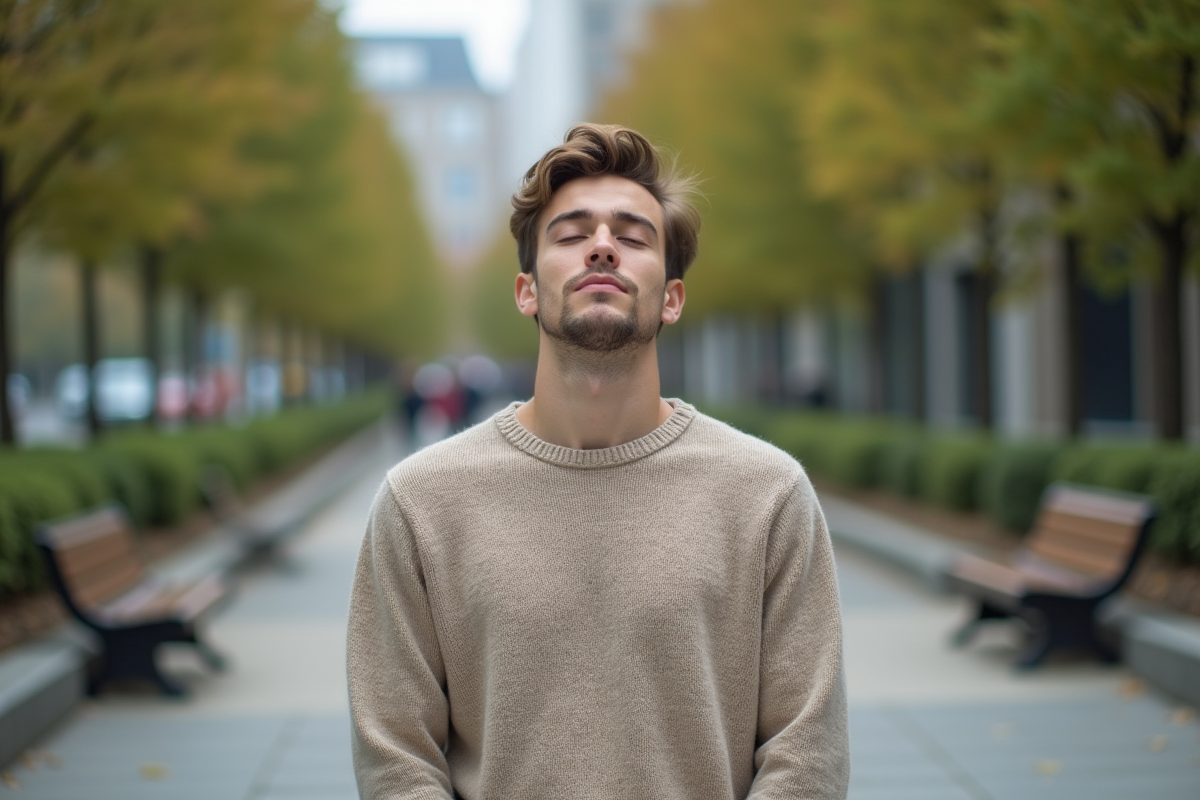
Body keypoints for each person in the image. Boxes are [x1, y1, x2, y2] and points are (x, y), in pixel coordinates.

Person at [347, 123, 849, 800]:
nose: (604, 247)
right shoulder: (420, 502)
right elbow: (396, 757)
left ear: (671, 298)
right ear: (526, 291)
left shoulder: (767, 494)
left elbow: (806, 753)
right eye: (572, 233)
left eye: (634, 236)